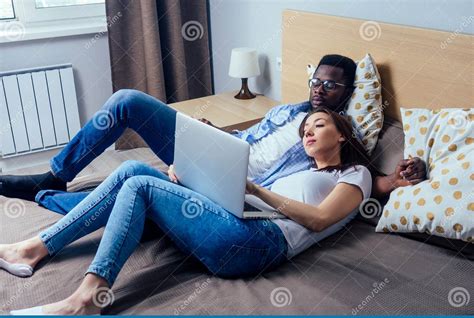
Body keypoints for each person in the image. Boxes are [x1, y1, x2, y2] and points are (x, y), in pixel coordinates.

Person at [5, 106, 373, 315]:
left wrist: (256, 188)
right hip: (238, 221)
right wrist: (187, 181)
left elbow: (321, 219)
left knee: (139, 186)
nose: (308, 132)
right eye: (305, 128)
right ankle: (33, 248)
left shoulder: (358, 174)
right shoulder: (298, 170)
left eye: (319, 125)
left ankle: (84, 300)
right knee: (134, 170)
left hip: (262, 244)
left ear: (342, 134)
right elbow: (245, 200)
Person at [0, 55, 425, 205]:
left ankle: (49, 198)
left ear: (348, 93)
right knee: (127, 100)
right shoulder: (290, 109)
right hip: (221, 148)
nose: (319, 88)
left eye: (331, 85)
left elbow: (361, 177)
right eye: (316, 78)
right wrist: (212, 133)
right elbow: (253, 138)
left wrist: (396, 179)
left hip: (235, 181)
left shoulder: (336, 131)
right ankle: (55, 176)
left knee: (136, 181)